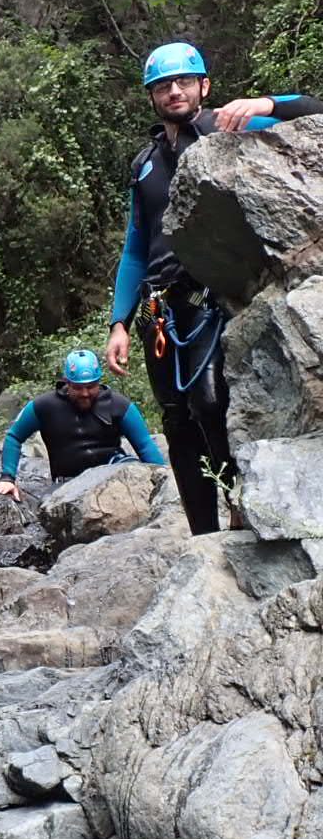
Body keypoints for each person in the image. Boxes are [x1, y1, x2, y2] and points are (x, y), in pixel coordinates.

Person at [106, 42, 322, 533]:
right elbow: (135, 248)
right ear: (151, 96)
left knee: (212, 403)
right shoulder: (144, 163)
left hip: (209, 294)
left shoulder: (231, 125)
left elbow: (315, 111)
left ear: (204, 86)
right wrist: (119, 320)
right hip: (159, 304)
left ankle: (242, 512)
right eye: (163, 85)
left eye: (184, 81)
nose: (174, 91)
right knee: (177, 418)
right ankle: (204, 531)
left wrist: (267, 105)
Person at [0, 349, 165, 500]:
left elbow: (144, 445)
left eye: (91, 386)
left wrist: (165, 478)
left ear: (99, 382)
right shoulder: (44, 406)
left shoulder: (119, 405)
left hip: (113, 477)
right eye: (78, 387)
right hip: (67, 485)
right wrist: (7, 478)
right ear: (67, 382)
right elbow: (14, 436)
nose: (85, 393)